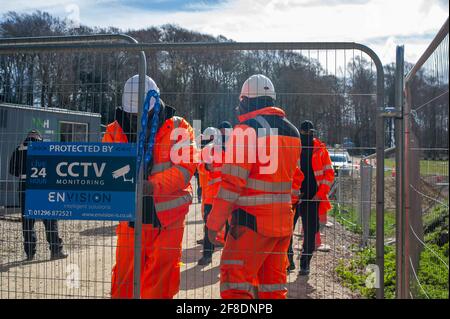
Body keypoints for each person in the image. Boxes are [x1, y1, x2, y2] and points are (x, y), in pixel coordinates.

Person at [206, 74, 301, 299]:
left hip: (251, 224)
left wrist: (214, 223)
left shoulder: (246, 130)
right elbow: (295, 179)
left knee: (235, 285)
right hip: (282, 223)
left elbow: (231, 184)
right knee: (273, 288)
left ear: (246, 99)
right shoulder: (293, 132)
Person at [107, 74, 197, 299]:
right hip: (131, 216)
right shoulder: (115, 130)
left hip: (168, 218)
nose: (137, 117)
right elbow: (106, 169)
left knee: (159, 278)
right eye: (133, 113)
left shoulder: (179, 127)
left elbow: (185, 168)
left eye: (142, 112)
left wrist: (151, 186)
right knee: (125, 277)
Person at [8, 129, 67, 261]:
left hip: (25, 185)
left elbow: (12, 169)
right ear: (39, 138)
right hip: (42, 185)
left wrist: (23, 173)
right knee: (50, 217)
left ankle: (30, 253)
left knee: (27, 221)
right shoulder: (45, 148)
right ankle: (55, 250)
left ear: (27, 138)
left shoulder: (19, 149)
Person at [287, 120, 334, 275]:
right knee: (286, 232)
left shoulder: (320, 150)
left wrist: (320, 194)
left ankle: (305, 264)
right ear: (300, 132)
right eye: (305, 133)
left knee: (310, 233)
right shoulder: (293, 148)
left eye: (310, 133)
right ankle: (288, 262)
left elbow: (329, 174)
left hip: (313, 198)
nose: (308, 135)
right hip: (294, 199)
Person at [197, 121, 232, 266]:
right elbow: (199, 166)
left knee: (231, 228)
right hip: (212, 197)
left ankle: (228, 258)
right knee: (209, 226)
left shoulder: (233, 150)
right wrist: (206, 166)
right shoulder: (209, 150)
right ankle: (207, 255)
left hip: (229, 195)